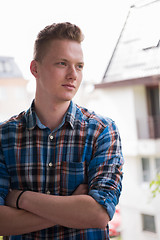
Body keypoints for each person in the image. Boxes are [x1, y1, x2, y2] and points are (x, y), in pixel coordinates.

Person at [0, 22, 124, 240]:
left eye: (79, 66)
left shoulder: (103, 132)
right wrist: (74, 210)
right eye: (62, 63)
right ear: (35, 68)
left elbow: (98, 214)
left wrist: (21, 199)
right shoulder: (4, 136)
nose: (73, 75)